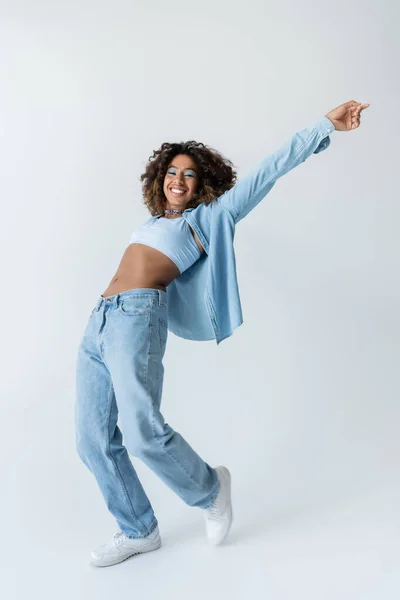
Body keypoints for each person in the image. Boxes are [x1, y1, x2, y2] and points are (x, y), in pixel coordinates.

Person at [75, 100, 370, 567]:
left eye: (189, 174)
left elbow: (269, 170)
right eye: (171, 171)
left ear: (202, 184)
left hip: (137, 318)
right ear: (160, 178)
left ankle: (211, 488)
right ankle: (138, 529)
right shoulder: (153, 222)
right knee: (91, 439)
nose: (178, 179)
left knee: (142, 432)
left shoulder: (210, 219)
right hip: (100, 320)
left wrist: (322, 127)